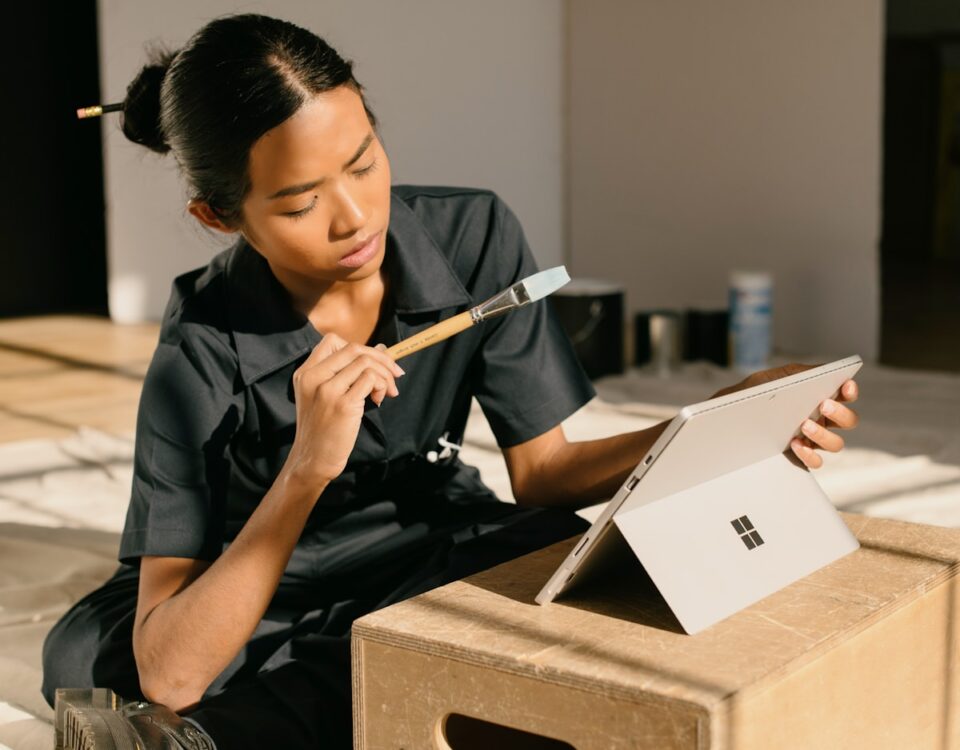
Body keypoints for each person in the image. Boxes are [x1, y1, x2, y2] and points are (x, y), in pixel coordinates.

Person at [41, 13, 860, 750]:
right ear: (221, 217)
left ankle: (215, 733)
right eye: (299, 204)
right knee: (116, 658)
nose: (355, 217)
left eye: (364, 162)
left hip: (430, 539)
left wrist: (713, 421)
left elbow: (545, 472)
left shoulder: (473, 234)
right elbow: (174, 670)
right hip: (255, 575)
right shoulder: (199, 345)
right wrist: (306, 469)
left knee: (575, 565)